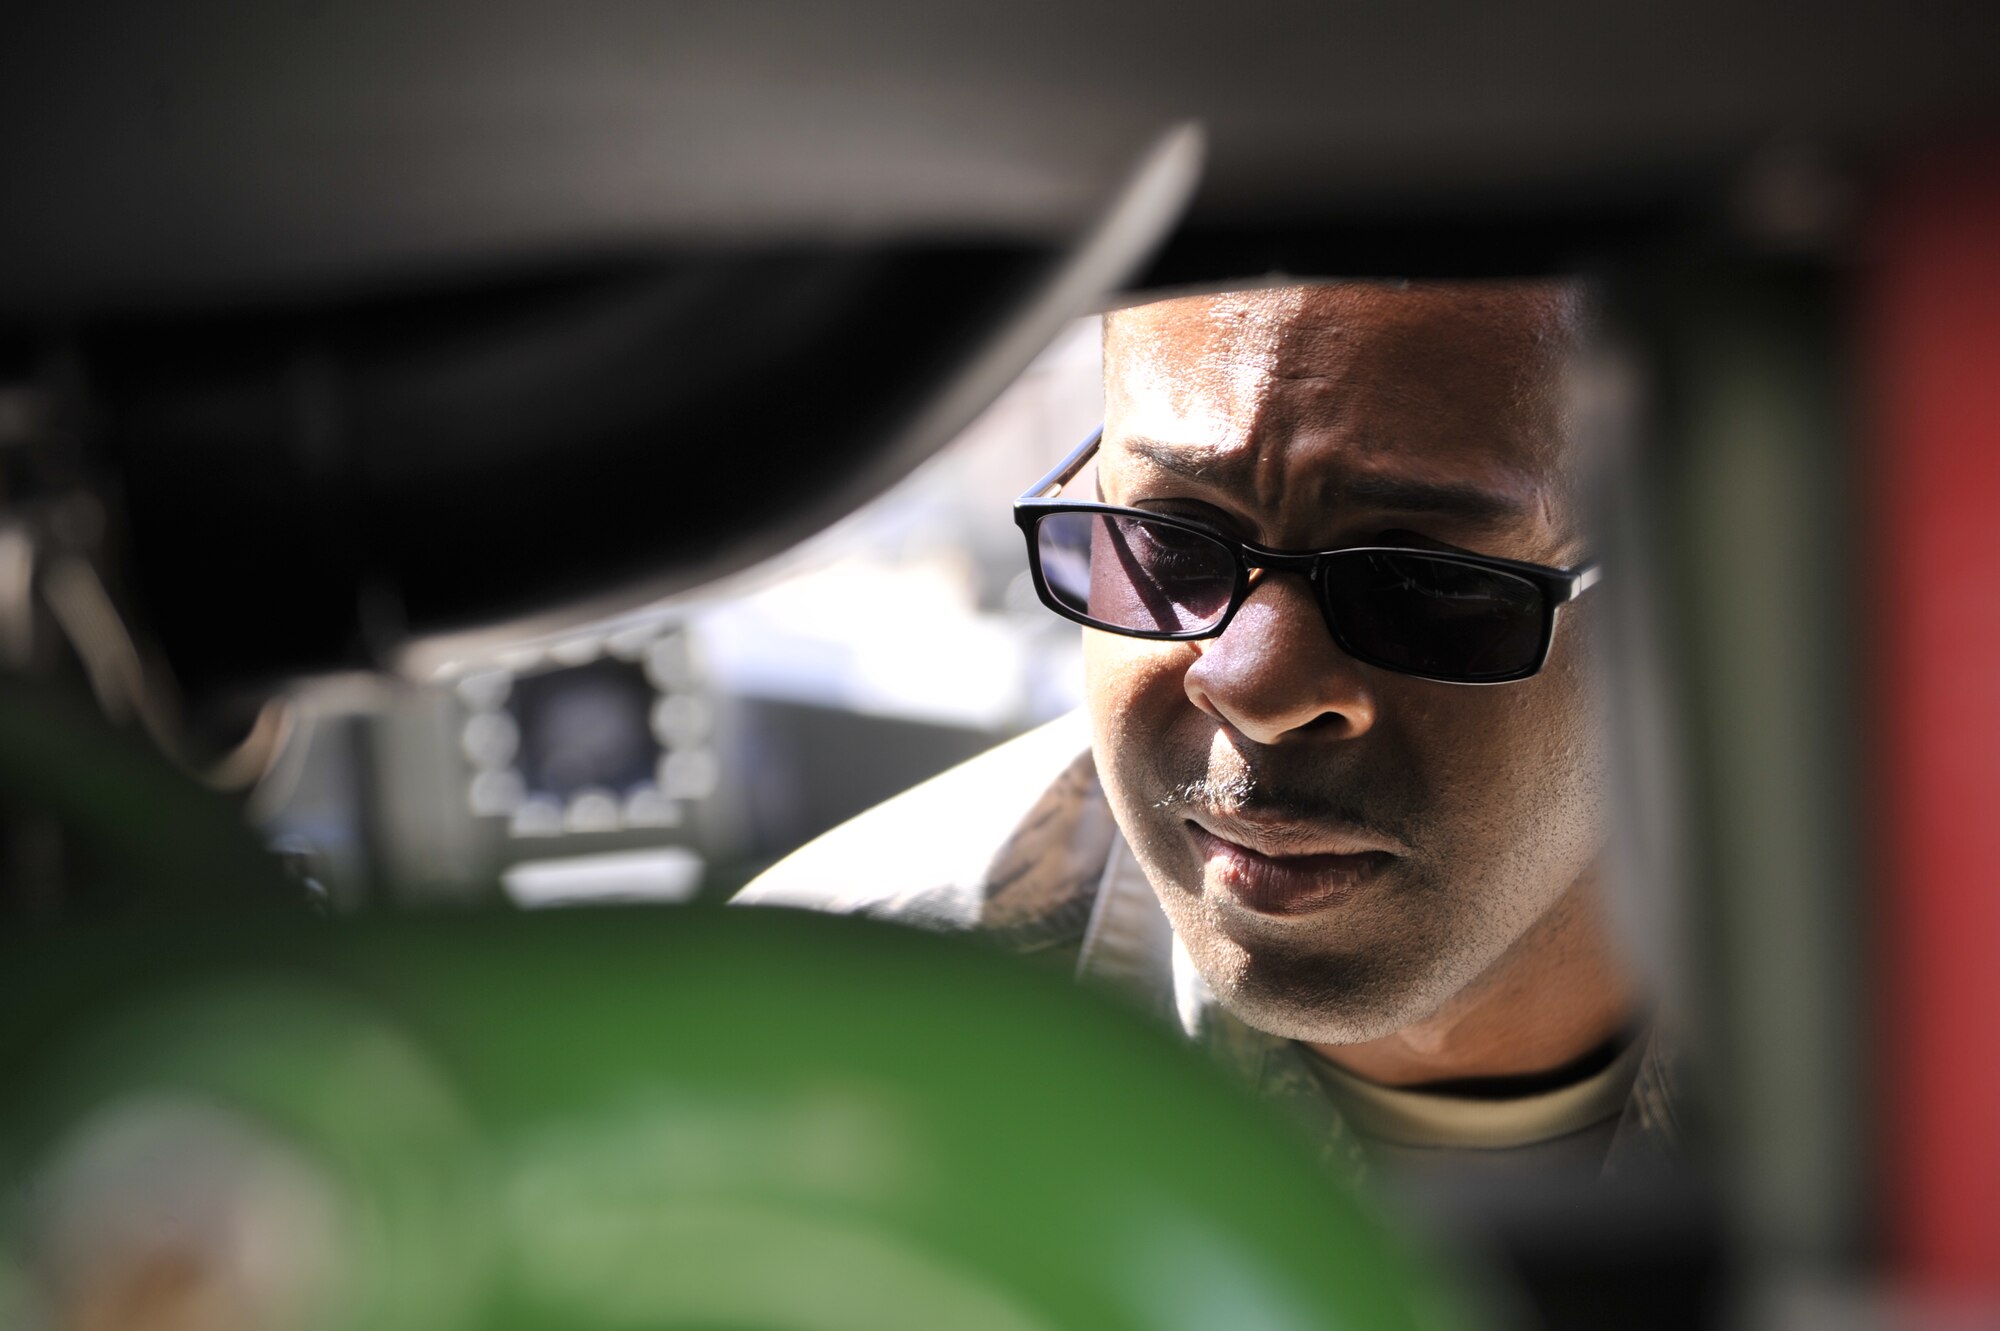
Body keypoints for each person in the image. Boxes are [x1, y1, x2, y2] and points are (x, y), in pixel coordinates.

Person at [736, 281, 1685, 1184]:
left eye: (1420, 577)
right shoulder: (820, 1060)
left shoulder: (1834, 1028)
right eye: (1172, 542)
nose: (1252, 685)